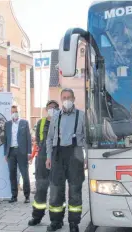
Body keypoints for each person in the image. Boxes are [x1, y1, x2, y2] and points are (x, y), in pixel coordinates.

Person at [46, 89, 87, 232]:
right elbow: (50, 138)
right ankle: (56, 221)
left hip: (75, 154)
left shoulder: (82, 116)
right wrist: (48, 156)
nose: (67, 100)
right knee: (56, 190)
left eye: (69, 97)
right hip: (57, 154)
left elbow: (87, 139)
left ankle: (74, 223)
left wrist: (86, 156)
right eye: (64, 98)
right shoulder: (56, 116)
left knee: (75, 190)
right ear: (61, 99)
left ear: (74, 99)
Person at [28, 100, 65, 227]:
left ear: (58, 109)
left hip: (58, 160)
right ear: (46, 109)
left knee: (57, 191)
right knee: (40, 190)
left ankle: (57, 220)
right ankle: (37, 217)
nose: (52, 109)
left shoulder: (63, 122)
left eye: (55, 107)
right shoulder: (41, 122)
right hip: (42, 160)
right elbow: (38, 140)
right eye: (50, 107)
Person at [4, 105, 32, 203]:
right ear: (10, 113)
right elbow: (6, 140)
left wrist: (29, 153)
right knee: (12, 174)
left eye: (15, 111)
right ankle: (14, 196)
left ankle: (27, 196)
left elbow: (28, 138)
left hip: (22, 152)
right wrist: (5, 154)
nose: (14, 113)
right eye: (12, 111)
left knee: (25, 174)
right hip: (11, 152)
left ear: (18, 112)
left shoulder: (24, 123)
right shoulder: (7, 124)